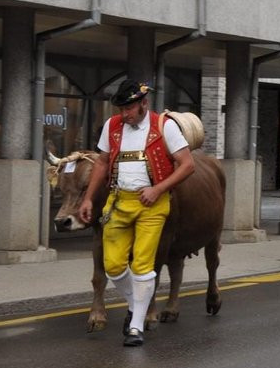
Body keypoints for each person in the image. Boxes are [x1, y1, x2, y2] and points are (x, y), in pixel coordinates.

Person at [77, 79, 195, 347]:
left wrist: (158, 189)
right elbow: (102, 162)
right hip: (118, 203)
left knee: (142, 266)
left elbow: (187, 165)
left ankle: (135, 326)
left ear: (144, 103)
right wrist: (87, 199)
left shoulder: (165, 127)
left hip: (152, 205)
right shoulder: (112, 126)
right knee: (114, 265)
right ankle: (137, 304)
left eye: (129, 108)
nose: (124, 114)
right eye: (121, 109)